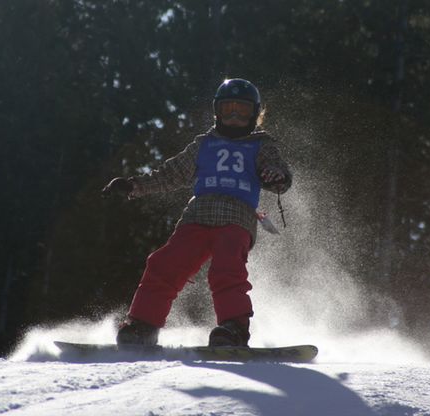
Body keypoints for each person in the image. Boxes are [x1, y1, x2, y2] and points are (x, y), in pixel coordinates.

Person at [102, 78, 292, 347]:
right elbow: (171, 174)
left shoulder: (261, 145)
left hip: (236, 217)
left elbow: (279, 171)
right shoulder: (205, 144)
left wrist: (276, 177)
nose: (235, 117)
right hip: (197, 216)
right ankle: (143, 325)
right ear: (217, 112)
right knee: (165, 263)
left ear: (256, 115)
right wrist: (133, 185)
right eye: (228, 110)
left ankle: (233, 328)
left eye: (243, 111)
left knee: (226, 268)